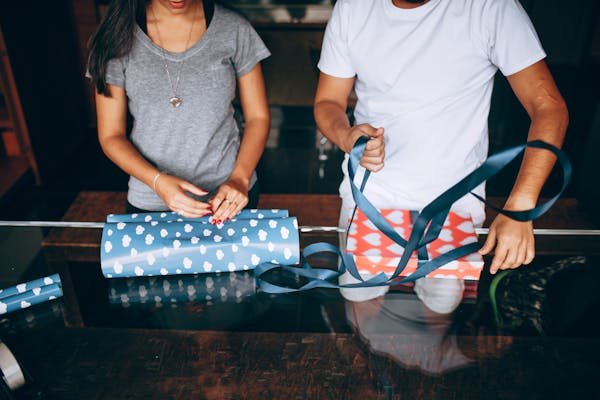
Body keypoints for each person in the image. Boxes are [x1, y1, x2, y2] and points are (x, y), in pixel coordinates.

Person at [314, 0, 569, 294]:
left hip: (455, 204)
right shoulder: (352, 7)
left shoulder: (492, 6)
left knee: (440, 313)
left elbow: (548, 107)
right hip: (368, 199)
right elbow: (328, 102)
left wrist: (520, 206)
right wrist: (348, 137)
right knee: (359, 303)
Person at [87, 0, 271, 223]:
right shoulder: (115, 38)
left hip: (230, 199)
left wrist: (240, 179)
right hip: (151, 201)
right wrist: (157, 182)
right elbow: (110, 136)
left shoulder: (234, 29)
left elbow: (258, 118)